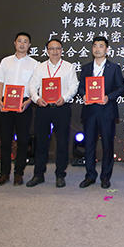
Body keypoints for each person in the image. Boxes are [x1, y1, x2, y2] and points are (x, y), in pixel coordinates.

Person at [27, 39, 79, 188]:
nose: (55, 51)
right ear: (47, 51)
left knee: (62, 142)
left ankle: (60, 174)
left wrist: (65, 98)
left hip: (61, 108)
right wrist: (37, 99)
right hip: (43, 108)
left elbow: (74, 86)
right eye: (51, 49)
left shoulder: (69, 67)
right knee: (41, 142)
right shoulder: (40, 67)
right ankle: (38, 174)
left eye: (58, 48)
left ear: (62, 50)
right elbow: (32, 86)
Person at [77, 36, 124, 189]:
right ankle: (90, 175)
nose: (97, 49)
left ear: (107, 49)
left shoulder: (114, 68)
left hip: (107, 111)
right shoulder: (86, 68)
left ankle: (105, 177)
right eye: (95, 46)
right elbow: (81, 87)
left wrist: (108, 97)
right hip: (90, 112)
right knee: (89, 145)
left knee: (107, 145)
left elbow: (121, 89)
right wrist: (84, 95)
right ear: (92, 49)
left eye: (101, 46)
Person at [0, 32, 38, 186]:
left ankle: (19, 173)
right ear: (15, 43)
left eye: (25, 41)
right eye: (20, 41)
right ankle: (4, 173)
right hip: (6, 103)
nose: (22, 44)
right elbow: (0, 82)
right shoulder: (5, 61)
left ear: (29, 45)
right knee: (5, 140)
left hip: (24, 103)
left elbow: (36, 86)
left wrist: (29, 101)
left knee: (23, 140)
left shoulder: (34, 64)